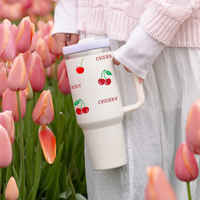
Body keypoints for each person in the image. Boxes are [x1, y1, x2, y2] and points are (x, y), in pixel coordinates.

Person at [52, 0, 200, 199]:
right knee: (109, 173)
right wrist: (67, 13)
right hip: (96, 42)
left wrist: (147, 40)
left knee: (177, 171)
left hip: (170, 41)